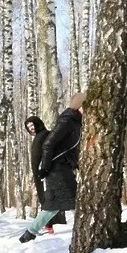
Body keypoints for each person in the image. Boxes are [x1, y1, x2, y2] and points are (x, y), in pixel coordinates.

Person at [20, 93, 86, 243]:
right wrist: (45, 168)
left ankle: (30, 233)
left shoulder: (74, 121)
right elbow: (49, 144)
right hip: (57, 170)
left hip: (60, 168)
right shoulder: (67, 120)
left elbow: (65, 147)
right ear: (79, 106)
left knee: (53, 205)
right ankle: (86, 232)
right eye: (85, 106)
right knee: (75, 200)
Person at [25, 115, 67, 234]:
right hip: (41, 173)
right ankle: (48, 225)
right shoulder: (40, 136)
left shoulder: (44, 135)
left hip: (44, 173)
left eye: (32, 125)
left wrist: (43, 170)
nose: (31, 128)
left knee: (48, 199)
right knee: (47, 199)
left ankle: (49, 226)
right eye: (28, 127)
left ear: (38, 124)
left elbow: (47, 154)